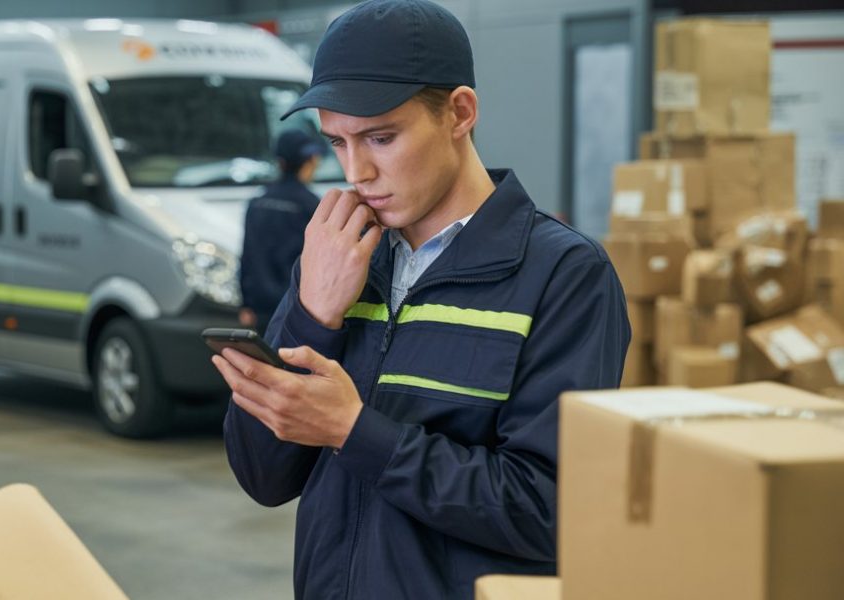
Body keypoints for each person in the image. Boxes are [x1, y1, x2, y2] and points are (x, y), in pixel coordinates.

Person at [212, 1, 631, 598]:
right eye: (337, 142)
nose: (357, 171)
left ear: (459, 113)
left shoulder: (564, 275)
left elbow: (550, 511)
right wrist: (314, 315)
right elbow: (263, 477)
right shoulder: (335, 258)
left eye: (380, 138)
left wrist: (355, 431)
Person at [239, 129, 326, 334]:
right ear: (310, 160)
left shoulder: (258, 201)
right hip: (297, 307)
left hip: (260, 308)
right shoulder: (311, 206)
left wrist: (245, 304)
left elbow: (247, 256)